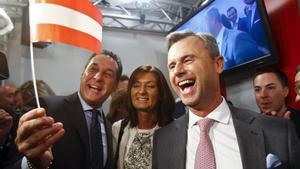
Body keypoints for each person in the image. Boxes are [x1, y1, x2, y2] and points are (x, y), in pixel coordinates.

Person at [152, 31, 300, 169]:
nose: (177, 71)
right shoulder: (162, 140)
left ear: (218, 64)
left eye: (187, 60)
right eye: (172, 66)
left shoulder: (277, 131)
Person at [5, 50, 123, 169]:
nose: (98, 77)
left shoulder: (111, 129)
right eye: (93, 69)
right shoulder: (45, 108)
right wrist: (32, 163)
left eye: (108, 74)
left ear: (115, 86)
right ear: (82, 75)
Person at [112, 65, 174, 169]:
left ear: (162, 93)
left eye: (150, 86)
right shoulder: (118, 128)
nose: (141, 91)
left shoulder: (176, 130)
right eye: (136, 85)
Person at [253, 68, 300, 137]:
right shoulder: (251, 127)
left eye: (270, 88)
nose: (263, 95)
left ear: (285, 91)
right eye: (257, 89)